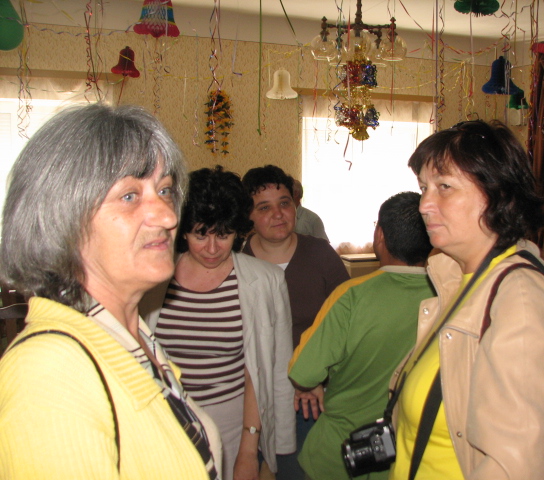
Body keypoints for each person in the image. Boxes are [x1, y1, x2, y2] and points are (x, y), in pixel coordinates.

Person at [0, 103, 221, 479]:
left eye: (165, 190)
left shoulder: (134, 338)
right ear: (62, 217)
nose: (169, 216)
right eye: (130, 196)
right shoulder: (48, 375)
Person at [389, 119, 544, 479]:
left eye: (444, 187)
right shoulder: (459, 279)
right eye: (423, 187)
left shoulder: (520, 299)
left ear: (498, 194)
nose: (424, 204)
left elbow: (519, 465)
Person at [140, 166, 296, 480]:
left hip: (234, 428)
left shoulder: (265, 281)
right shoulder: (151, 279)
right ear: (182, 230)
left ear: (238, 230)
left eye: (223, 235)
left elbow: (272, 371)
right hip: (161, 422)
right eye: (201, 234)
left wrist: (253, 452)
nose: (212, 248)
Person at [288, 191, 435, 480]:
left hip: (343, 454)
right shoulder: (449, 295)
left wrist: (315, 383)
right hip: (410, 455)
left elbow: (302, 374)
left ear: (380, 235)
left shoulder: (351, 296)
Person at [241, 165, 350, 480]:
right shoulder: (237, 261)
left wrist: (316, 376)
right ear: (248, 215)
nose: (278, 214)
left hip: (310, 396)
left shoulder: (320, 254)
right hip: (251, 397)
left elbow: (345, 323)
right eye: (264, 207)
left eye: (284, 203)